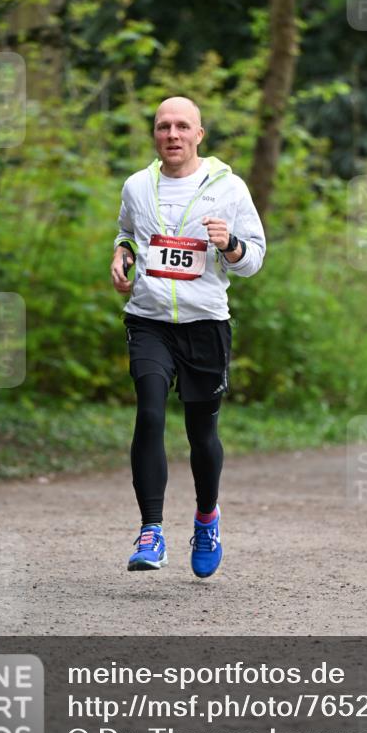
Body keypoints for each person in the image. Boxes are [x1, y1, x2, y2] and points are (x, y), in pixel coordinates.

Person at [110, 96, 266, 578]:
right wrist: (122, 255)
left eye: (182, 127)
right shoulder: (138, 186)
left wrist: (231, 245)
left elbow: (254, 259)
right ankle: (151, 531)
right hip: (149, 320)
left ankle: (206, 519)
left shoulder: (230, 189)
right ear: (154, 134)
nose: (172, 134)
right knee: (150, 412)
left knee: (202, 434)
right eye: (163, 127)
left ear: (200, 134)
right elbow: (127, 233)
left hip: (205, 325)